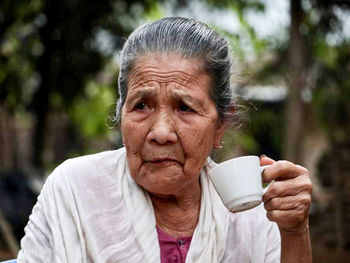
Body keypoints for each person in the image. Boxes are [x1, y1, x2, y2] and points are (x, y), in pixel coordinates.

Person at [17, 17, 312, 262]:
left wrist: (295, 231)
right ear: (121, 114)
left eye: (185, 108)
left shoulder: (252, 214)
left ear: (221, 124)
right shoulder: (74, 191)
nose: (160, 133)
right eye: (141, 106)